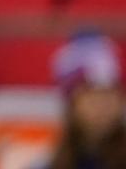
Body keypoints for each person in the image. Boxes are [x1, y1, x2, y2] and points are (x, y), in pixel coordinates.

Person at [45, 32, 126, 169]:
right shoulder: (50, 161)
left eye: (109, 94)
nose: (103, 105)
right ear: (71, 103)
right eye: (92, 95)